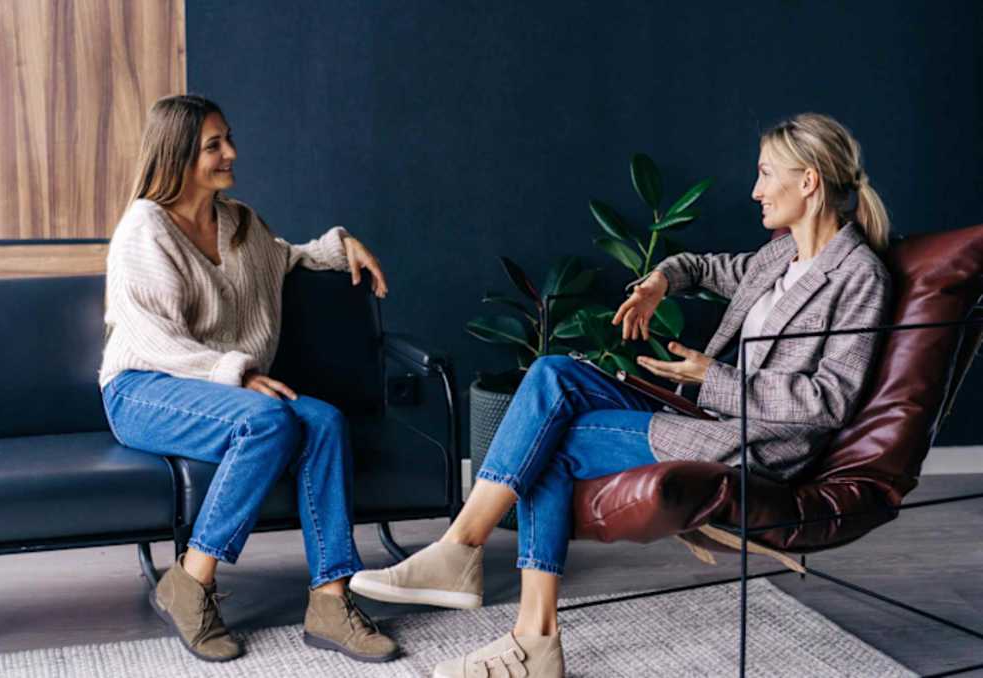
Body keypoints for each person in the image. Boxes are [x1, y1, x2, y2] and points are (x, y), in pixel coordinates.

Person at [348, 112, 892, 678]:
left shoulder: (858, 277)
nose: (755, 190)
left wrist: (714, 377)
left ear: (808, 181)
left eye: (765, 174)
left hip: (756, 444)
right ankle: (472, 563)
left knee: (548, 442)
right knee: (553, 371)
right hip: (703, 416)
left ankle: (518, 622)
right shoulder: (780, 257)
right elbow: (701, 265)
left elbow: (829, 401)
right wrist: (659, 282)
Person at [99, 94, 398, 664]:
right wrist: (235, 373)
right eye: (214, 145)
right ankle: (192, 581)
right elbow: (152, 340)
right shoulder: (144, 230)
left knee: (325, 421)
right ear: (179, 153)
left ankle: (331, 599)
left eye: (228, 138)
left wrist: (340, 247)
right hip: (143, 387)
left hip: (220, 390)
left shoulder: (238, 223)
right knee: (266, 419)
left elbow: (285, 257)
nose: (231, 153)